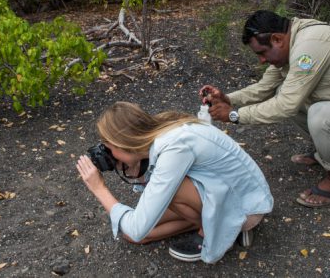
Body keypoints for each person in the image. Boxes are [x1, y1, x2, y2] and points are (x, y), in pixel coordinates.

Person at [200, 10, 330, 208]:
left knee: (319, 115)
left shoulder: (309, 47)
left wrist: (234, 116)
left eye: (262, 53)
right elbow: (264, 88)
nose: (262, 60)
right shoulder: (293, 41)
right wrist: (227, 98)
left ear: (277, 39)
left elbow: (285, 106)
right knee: (285, 90)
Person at [75, 101, 273, 263]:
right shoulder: (161, 131)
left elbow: (137, 227)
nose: (109, 154)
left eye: (110, 148)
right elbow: (136, 232)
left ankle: (228, 228)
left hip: (247, 206)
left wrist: (99, 188)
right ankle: (225, 228)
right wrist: (130, 165)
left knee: (155, 205)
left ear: (125, 143)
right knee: (135, 234)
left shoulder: (174, 148)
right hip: (224, 190)